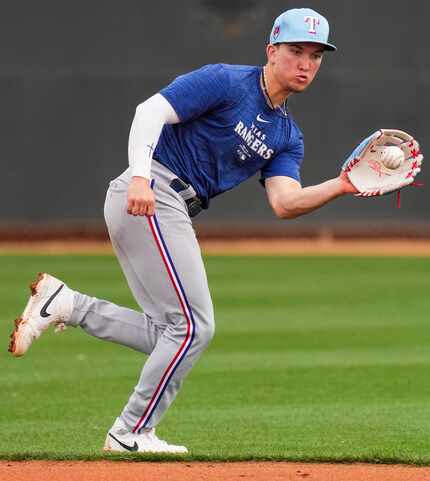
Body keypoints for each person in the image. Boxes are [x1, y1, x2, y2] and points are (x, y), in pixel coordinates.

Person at [9, 8, 358, 453]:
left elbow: (285, 203)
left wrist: (342, 185)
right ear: (271, 51)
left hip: (167, 204)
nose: (305, 63)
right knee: (195, 328)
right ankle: (131, 430)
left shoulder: (288, 134)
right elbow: (149, 111)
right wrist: (139, 176)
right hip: (152, 190)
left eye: (315, 55)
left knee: (171, 333)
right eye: (295, 51)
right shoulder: (227, 81)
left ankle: (68, 305)